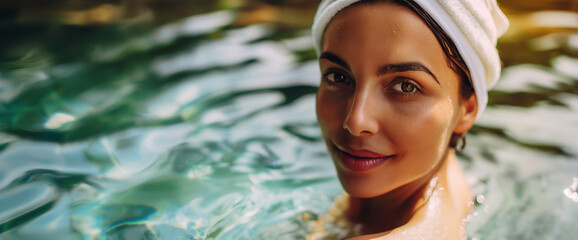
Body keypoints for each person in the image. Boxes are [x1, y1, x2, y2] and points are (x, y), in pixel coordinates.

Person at [308, 0, 509, 239]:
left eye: (406, 86)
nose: (355, 121)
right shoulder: (443, 183)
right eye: (337, 76)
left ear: (467, 109)